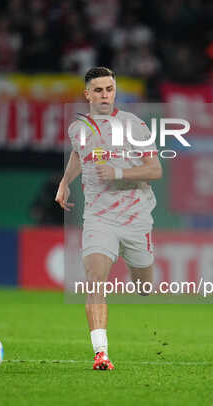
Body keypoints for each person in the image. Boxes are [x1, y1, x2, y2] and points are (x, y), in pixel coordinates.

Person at [55, 67, 162, 370]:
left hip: (136, 218)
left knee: (144, 287)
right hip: (99, 219)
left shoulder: (134, 125)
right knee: (95, 281)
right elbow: (79, 154)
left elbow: (155, 170)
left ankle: (141, 273)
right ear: (87, 94)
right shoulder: (77, 128)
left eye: (109, 89)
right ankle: (101, 353)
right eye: (99, 90)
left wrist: (118, 173)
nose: (105, 95)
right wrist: (65, 182)